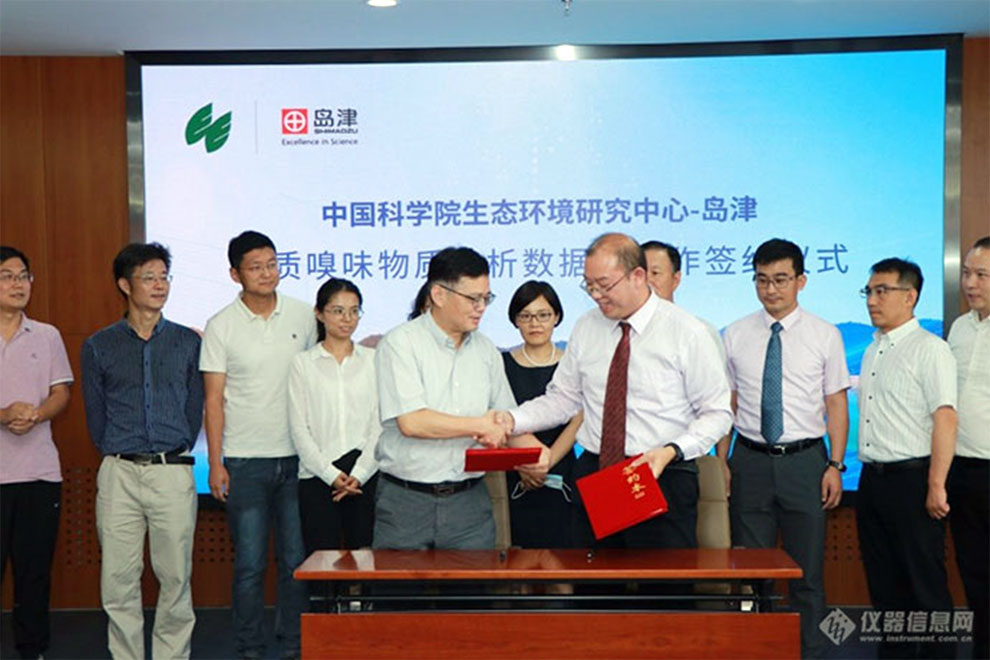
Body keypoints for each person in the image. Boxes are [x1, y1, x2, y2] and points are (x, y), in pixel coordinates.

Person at [502, 233, 732, 549]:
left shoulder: (687, 332)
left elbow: (717, 413)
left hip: (659, 473)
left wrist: (671, 451)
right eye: (589, 286)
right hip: (596, 473)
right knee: (593, 577)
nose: (596, 295)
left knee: (659, 579)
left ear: (637, 276)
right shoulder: (587, 327)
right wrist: (511, 420)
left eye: (604, 285)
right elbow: (563, 398)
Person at [718, 238, 849, 659]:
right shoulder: (736, 334)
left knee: (807, 573)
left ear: (801, 281)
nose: (771, 289)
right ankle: (754, 650)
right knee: (750, 573)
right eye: (762, 280)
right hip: (749, 460)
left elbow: (835, 403)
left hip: (805, 462)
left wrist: (835, 464)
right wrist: (721, 461)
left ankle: (810, 651)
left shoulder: (825, 334)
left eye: (781, 279)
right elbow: (728, 403)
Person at [373, 247, 548, 550]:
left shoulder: (486, 351)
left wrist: (535, 454)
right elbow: (413, 422)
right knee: (400, 583)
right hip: (406, 503)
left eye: (486, 298)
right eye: (473, 298)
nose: (481, 307)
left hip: (470, 504)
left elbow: (504, 419)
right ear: (439, 295)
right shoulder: (400, 343)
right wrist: (480, 425)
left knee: (473, 583)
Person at [81, 242, 202, 660]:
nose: (159, 285)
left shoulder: (188, 342)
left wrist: (175, 445)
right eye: (148, 277)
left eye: (164, 277)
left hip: (172, 470)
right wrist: (119, 450)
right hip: (120, 471)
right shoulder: (99, 345)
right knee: (118, 580)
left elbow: (193, 409)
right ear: (124, 284)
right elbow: (95, 416)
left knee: (176, 577)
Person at [200, 230, 316, 660]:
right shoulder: (221, 326)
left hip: (298, 458)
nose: (267, 274)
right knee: (249, 564)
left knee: (296, 561)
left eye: (272, 264)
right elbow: (213, 399)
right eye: (255, 267)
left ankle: (294, 644)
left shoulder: (303, 315)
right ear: (235, 274)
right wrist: (216, 463)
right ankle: (249, 646)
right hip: (245, 460)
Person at [857, 257, 956, 660]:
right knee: (884, 589)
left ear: (910, 296)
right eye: (869, 291)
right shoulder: (872, 349)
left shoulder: (930, 349)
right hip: (872, 481)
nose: (872, 300)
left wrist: (936, 484)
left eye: (882, 291)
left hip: (913, 482)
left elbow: (945, 417)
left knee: (926, 587)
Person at [0, 246, 73, 660]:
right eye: (7, 276)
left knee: (34, 573)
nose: (18, 284)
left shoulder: (47, 335)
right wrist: (3, 414)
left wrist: (36, 414)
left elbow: (61, 391)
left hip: (39, 473)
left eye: (24, 276)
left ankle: (32, 650)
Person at [289, 278, 379, 553]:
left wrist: (359, 474)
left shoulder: (373, 360)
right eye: (338, 311)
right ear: (319, 313)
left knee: (365, 560)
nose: (347, 319)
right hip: (317, 475)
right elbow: (299, 429)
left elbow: (380, 425)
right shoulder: (303, 363)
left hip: (364, 475)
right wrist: (331, 475)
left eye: (354, 311)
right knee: (321, 561)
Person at [502, 280, 582, 548]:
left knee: (565, 558)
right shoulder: (501, 364)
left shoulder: (571, 363)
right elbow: (500, 418)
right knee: (518, 560)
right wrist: (526, 467)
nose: (534, 323)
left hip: (564, 470)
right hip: (516, 474)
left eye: (543, 315)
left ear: (557, 316)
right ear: (515, 320)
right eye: (525, 316)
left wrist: (546, 463)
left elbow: (579, 418)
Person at [947, 235, 989, 660]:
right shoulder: (959, 328)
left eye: (981, 275)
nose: (970, 283)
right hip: (961, 469)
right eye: (966, 273)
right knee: (973, 570)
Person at [641, 240, 726, 363]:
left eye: (655, 273)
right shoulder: (621, 330)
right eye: (640, 273)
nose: (647, 281)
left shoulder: (698, 331)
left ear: (675, 280)